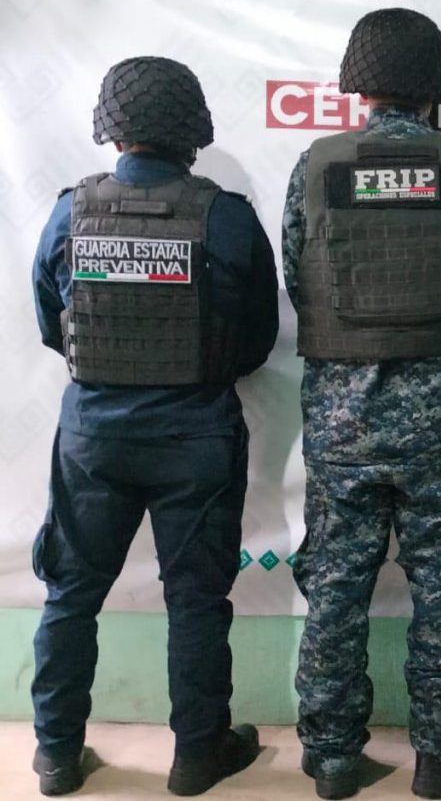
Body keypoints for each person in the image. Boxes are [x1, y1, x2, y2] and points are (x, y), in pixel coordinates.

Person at [30, 56, 280, 797]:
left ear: (112, 130)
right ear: (194, 131)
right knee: (196, 600)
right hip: (195, 437)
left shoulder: (70, 211)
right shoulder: (227, 215)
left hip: (94, 437)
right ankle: (197, 754)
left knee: (70, 595)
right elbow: (259, 339)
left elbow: (51, 322)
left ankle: (55, 754)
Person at [283, 8, 441, 801]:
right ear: (434, 89)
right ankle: (439, 755)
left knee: (336, 588)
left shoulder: (317, 164)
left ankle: (332, 756)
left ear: (359, 85)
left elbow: (298, 276)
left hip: (343, 424)